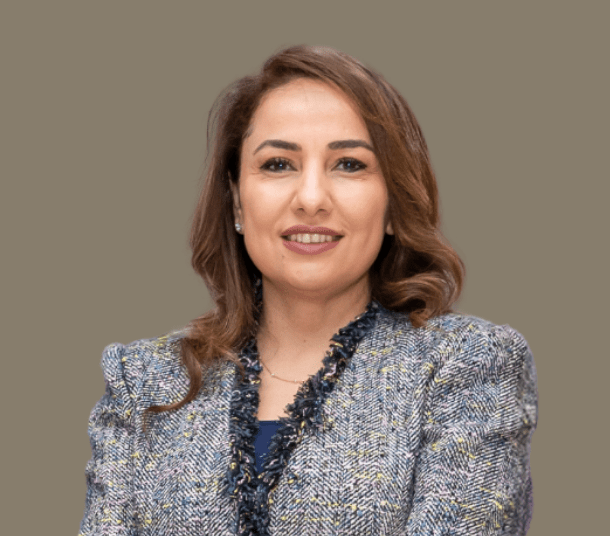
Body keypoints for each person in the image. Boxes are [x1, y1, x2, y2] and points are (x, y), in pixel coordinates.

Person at [79, 45, 538, 536]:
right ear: (236, 201)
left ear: (393, 203)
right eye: (278, 164)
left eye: (350, 164)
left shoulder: (468, 367)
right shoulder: (145, 381)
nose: (312, 199)